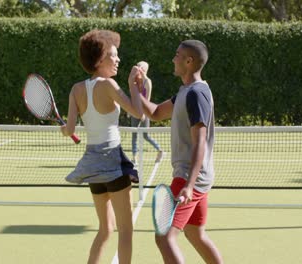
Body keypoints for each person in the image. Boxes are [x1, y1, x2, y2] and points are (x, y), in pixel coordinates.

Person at [60, 29, 144, 264]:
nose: (118, 60)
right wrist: (133, 85)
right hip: (113, 162)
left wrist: (64, 130)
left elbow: (70, 129)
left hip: (93, 165)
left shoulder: (76, 89)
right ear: (99, 60)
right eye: (113, 55)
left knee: (105, 229)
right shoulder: (109, 85)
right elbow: (137, 112)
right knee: (125, 230)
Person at [139, 40, 223, 264]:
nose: (173, 59)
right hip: (196, 178)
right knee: (195, 233)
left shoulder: (197, 94)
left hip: (189, 177)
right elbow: (156, 112)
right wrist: (135, 89)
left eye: (177, 55)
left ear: (189, 61)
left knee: (164, 237)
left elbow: (200, 142)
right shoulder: (186, 92)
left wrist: (188, 184)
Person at [129, 61, 164, 165]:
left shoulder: (147, 81)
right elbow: (133, 96)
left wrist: (144, 113)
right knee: (134, 134)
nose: (138, 68)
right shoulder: (135, 81)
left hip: (145, 112)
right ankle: (134, 158)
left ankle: (160, 150)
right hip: (135, 110)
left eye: (140, 67)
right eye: (137, 66)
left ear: (145, 69)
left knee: (145, 135)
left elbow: (147, 100)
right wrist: (130, 109)